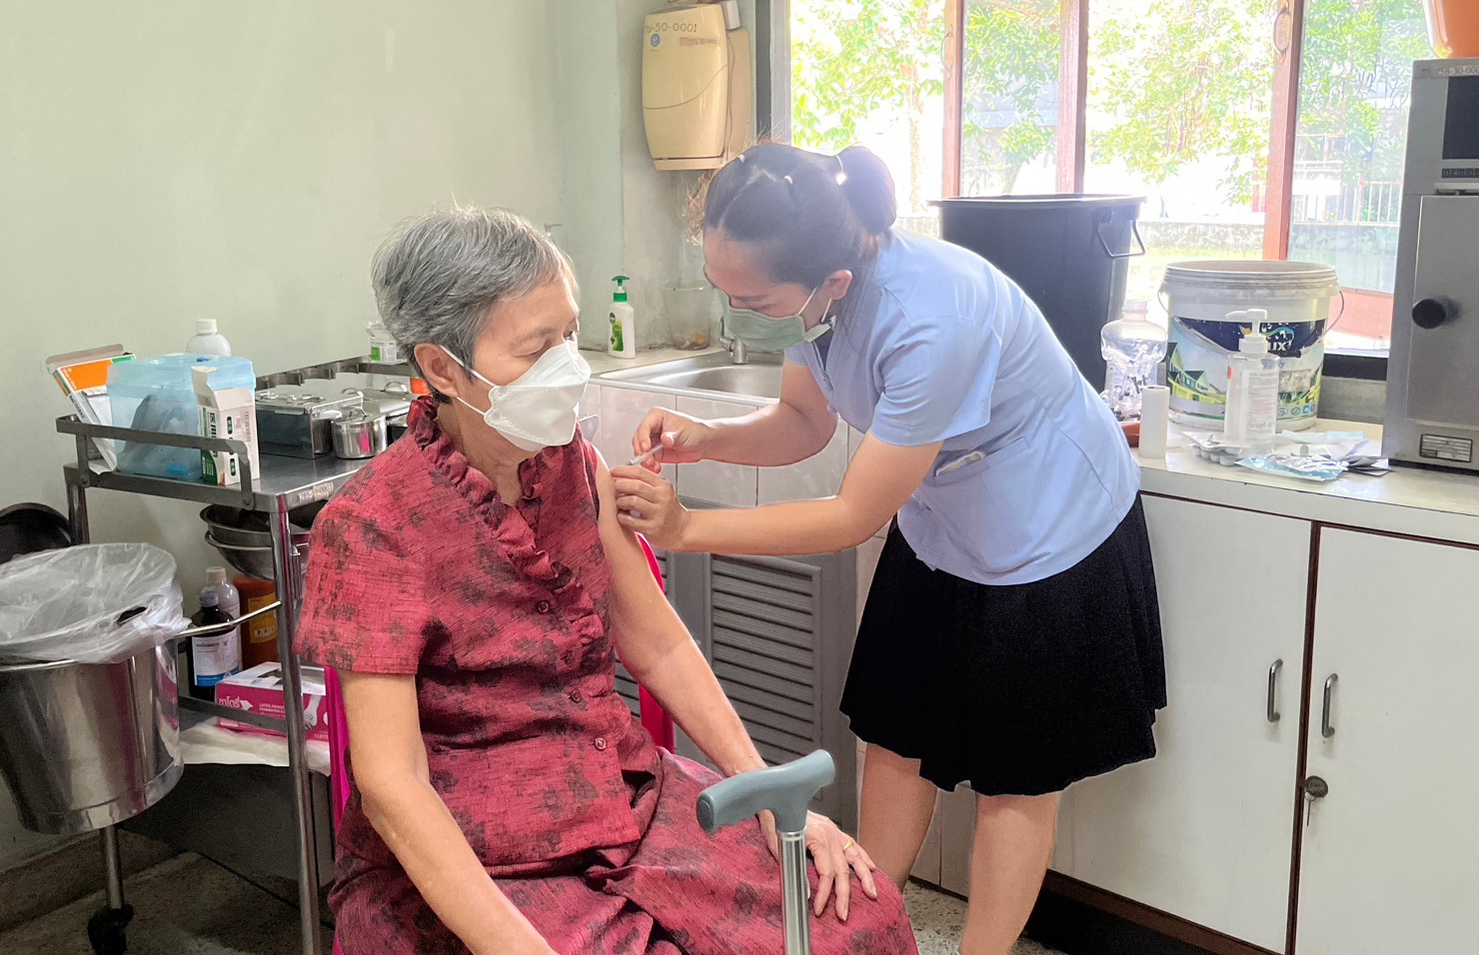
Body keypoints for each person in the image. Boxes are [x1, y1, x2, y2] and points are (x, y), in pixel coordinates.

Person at [294, 206, 918, 955]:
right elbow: (393, 785)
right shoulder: (371, 526)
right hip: (480, 847)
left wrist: (763, 791)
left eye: (569, 334)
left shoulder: (574, 464)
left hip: (620, 795)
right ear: (444, 368)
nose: (567, 365)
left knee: (859, 916)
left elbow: (658, 644)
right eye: (537, 348)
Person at [611, 144, 1167, 955]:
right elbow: (802, 422)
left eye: (750, 298)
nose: (735, 310)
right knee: (895, 732)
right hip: (943, 515)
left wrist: (686, 530)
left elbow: (850, 516)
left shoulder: (931, 317)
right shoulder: (810, 295)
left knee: (1014, 778)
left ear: (832, 280)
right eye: (721, 288)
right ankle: (868, 927)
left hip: (1049, 528)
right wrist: (707, 437)